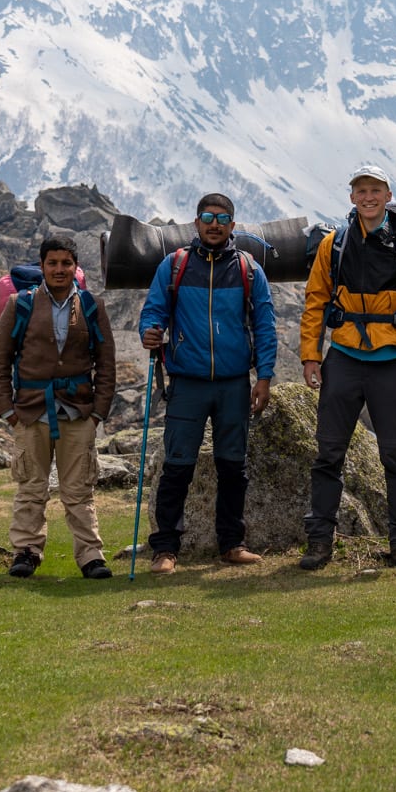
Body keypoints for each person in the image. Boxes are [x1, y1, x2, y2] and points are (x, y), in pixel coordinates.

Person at [297, 163, 396, 570]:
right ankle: (319, 543)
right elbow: (315, 302)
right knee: (328, 453)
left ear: (387, 195)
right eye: (360, 191)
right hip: (343, 357)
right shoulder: (335, 244)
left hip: (390, 361)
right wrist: (311, 354)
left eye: (375, 190)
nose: (368, 197)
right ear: (352, 197)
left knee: (395, 456)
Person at [137, 193, 278, 574]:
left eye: (222, 218)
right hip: (188, 382)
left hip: (234, 383)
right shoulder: (176, 265)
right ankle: (165, 549)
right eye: (207, 216)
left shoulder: (249, 270)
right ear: (196, 222)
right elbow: (153, 311)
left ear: (233, 225)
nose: (214, 224)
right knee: (177, 467)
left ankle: (232, 544)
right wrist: (149, 332)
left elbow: (265, 326)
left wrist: (264, 377)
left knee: (233, 467)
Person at [0, 235, 116, 580]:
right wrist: (8, 411)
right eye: (52, 263)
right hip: (31, 412)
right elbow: (1, 359)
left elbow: (106, 364)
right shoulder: (21, 305)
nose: (59, 269)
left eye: (66, 263)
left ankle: (91, 556)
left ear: (75, 268)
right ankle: (26, 551)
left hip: (78, 413)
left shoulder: (92, 307)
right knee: (32, 486)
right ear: (42, 266)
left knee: (79, 490)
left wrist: (97, 413)